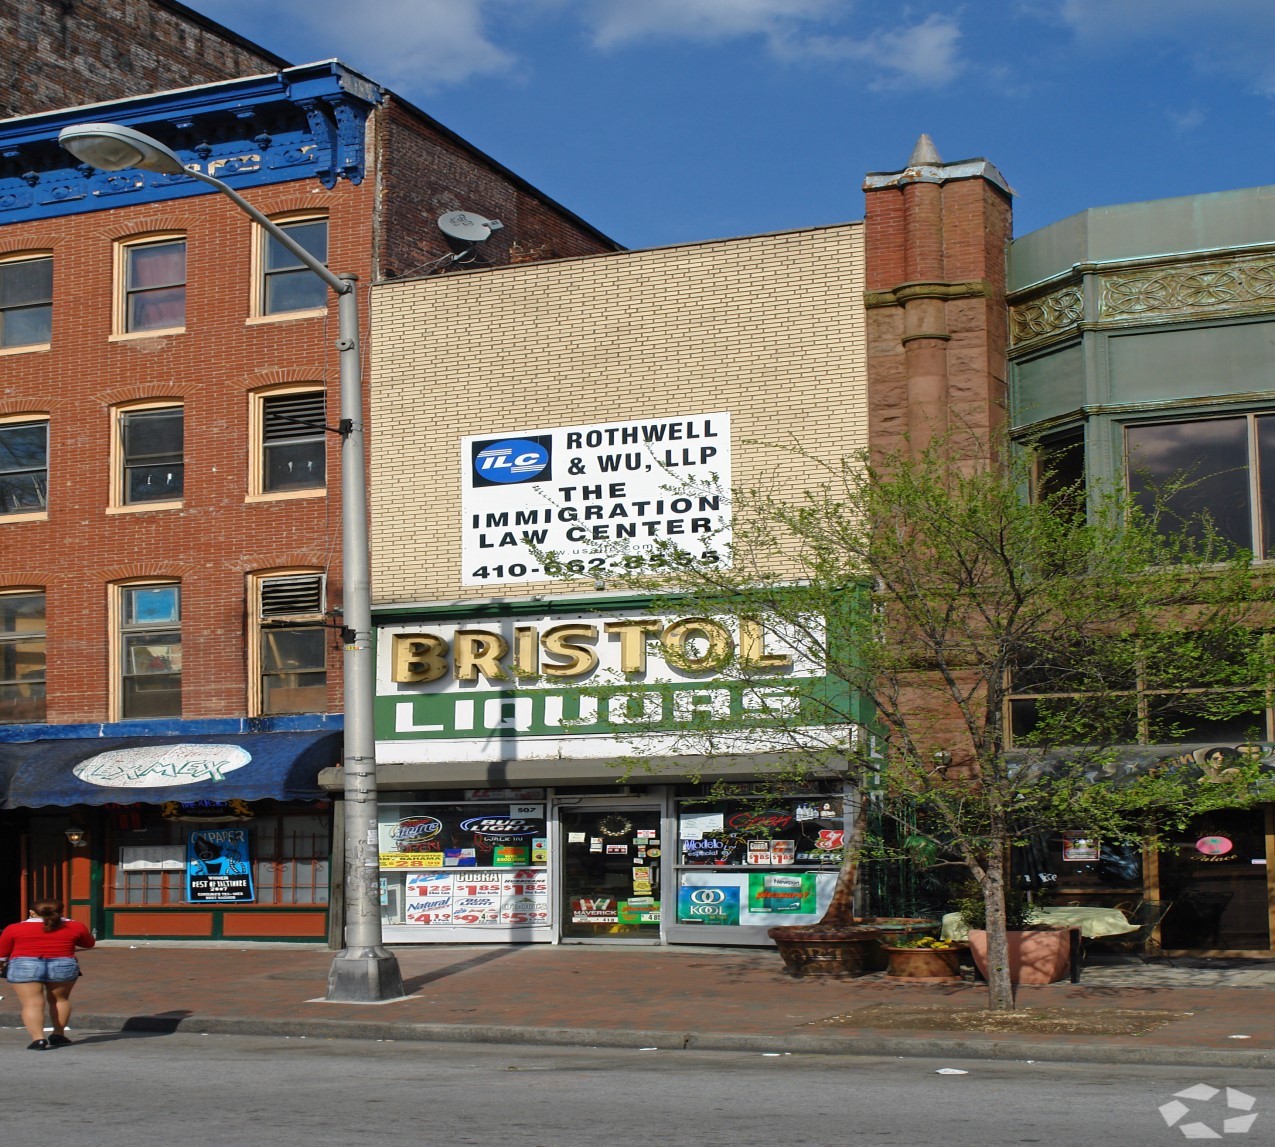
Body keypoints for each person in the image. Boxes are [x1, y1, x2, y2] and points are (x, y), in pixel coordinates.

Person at [0, 899, 96, 1050]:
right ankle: (58, 1034)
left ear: (32, 912)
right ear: (61, 911)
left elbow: (2, 953)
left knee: (32, 1003)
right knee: (60, 1000)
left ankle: (38, 1039)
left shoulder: (14, 928)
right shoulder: (75, 926)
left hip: (25, 965)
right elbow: (89, 943)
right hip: (63, 964)